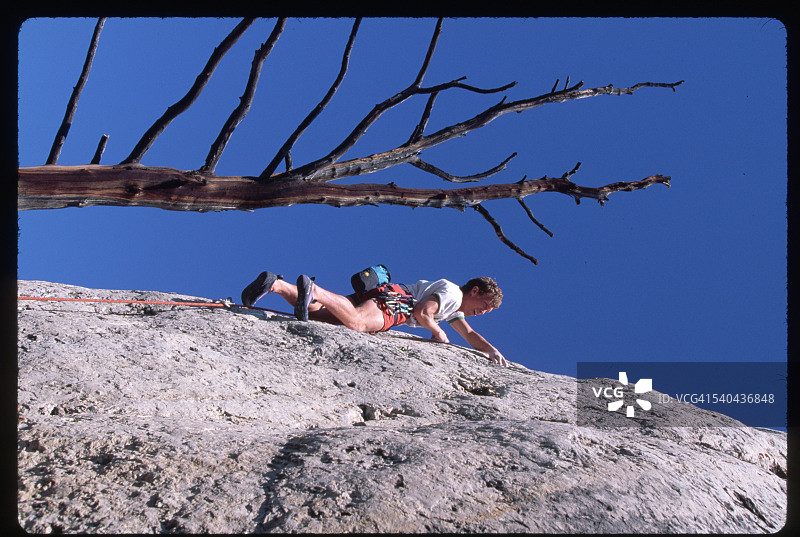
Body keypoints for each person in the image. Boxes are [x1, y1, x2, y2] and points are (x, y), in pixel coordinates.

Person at [241, 271, 508, 366]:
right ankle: (315, 289)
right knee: (356, 323)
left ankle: (275, 285)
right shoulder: (452, 295)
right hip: (398, 304)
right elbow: (422, 313)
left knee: (324, 316)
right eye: (484, 305)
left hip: (388, 296)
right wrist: (439, 334)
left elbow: (470, 335)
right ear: (475, 291)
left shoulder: (454, 307)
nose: (482, 313)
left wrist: (492, 350)